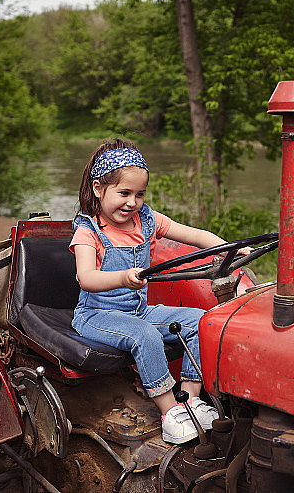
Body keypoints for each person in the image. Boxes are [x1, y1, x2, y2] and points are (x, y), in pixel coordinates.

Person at [70, 138, 244, 444]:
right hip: (96, 314)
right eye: (124, 193)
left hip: (138, 311)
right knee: (145, 335)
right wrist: (123, 277)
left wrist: (231, 248)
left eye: (139, 194)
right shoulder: (88, 231)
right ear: (98, 189)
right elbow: (86, 278)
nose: (132, 203)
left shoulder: (147, 221)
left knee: (201, 322)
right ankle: (169, 413)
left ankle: (190, 402)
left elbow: (194, 235)